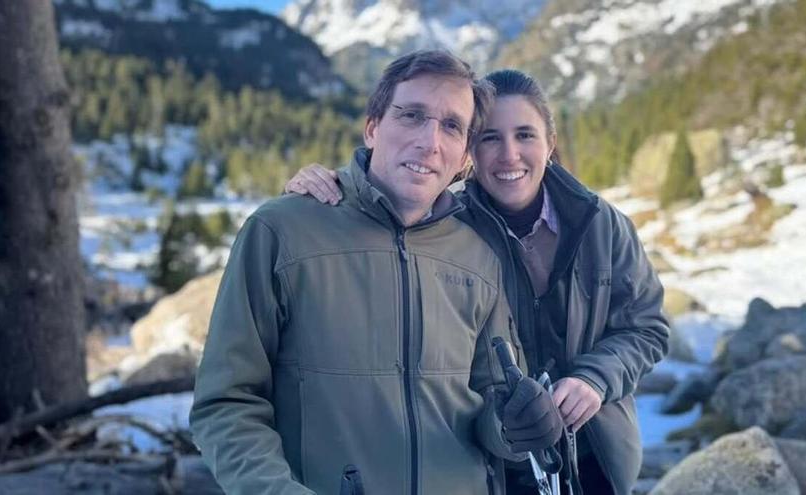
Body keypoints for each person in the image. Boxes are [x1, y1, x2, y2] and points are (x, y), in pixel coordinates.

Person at [190, 52, 565, 495]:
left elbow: (490, 405)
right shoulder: (281, 232)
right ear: (373, 127)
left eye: (451, 126)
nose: (429, 142)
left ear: (464, 155)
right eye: (411, 116)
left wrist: (514, 427)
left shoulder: (478, 257)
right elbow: (227, 402)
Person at [286, 69, 670, 494]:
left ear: (550, 143)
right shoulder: (443, 226)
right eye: (489, 137)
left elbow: (646, 327)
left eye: (525, 135)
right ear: (469, 149)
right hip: (488, 464)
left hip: (594, 456)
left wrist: (595, 378)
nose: (509, 154)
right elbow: (384, 200)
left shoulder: (602, 225)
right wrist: (330, 185)